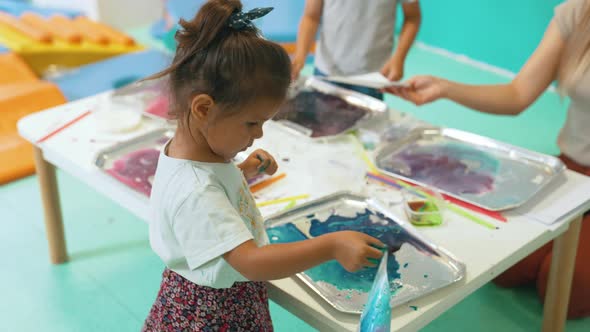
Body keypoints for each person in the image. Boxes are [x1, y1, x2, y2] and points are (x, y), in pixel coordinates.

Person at [141, 1, 384, 330]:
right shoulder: (196, 191)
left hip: (213, 293)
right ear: (203, 108)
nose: (258, 134)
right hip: (214, 310)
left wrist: (243, 171)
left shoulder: (191, 154)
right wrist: (332, 244)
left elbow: (209, 199)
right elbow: (250, 262)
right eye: (251, 123)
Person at [385, 0, 590, 319]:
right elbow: (518, 94)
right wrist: (445, 87)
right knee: (506, 266)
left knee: (565, 289)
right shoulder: (577, 12)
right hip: (574, 168)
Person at [291, 0, 421, 99]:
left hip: (372, 75)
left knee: (365, 131)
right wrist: (300, 57)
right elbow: (311, 17)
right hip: (327, 71)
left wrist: (399, 58)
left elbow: (412, 17)